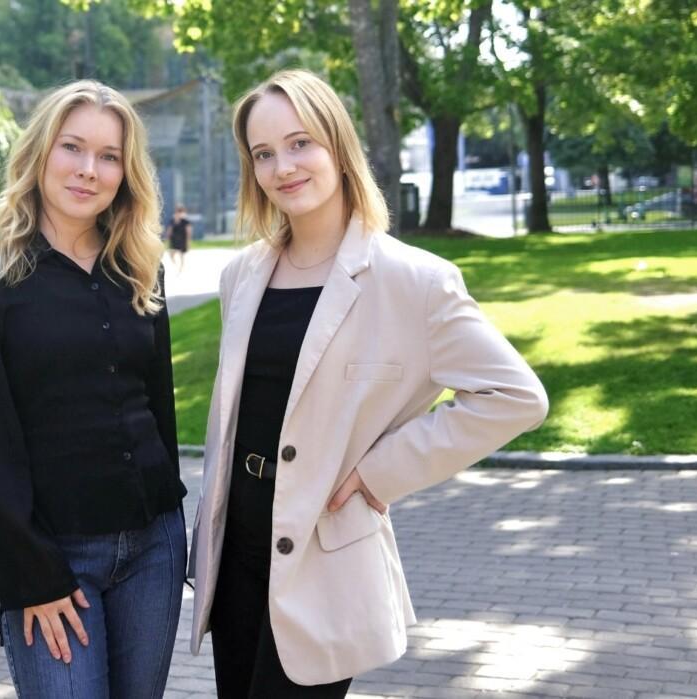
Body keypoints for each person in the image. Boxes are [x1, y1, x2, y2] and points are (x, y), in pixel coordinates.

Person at [187, 69, 549, 697]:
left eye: (300, 143)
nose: (283, 167)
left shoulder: (415, 281)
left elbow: (516, 397)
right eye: (264, 153)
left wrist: (380, 472)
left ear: (337, 144)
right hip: (237, 546)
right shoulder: (242, 275)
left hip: (323, 557)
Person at [0, 80, 187, 699]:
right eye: (72, 147)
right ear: (40, 153)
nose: (88, 170)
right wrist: (29, 575)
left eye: (108, 156)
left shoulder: (138, 266)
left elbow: (160, 407)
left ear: (125, 174)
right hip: (53, 557)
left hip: (154, 548)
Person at [166, 205, 192, 273]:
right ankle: (176, 266)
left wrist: (188, 243)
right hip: (174, 240)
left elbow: (188, 232)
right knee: (171, 254)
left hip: (182, 240)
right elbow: (169, 230)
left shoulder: (185, 221)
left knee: (181, 255)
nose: (179, 213)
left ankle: (180, 269)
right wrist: (168, 238)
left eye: (180, 212)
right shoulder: (173, 220)